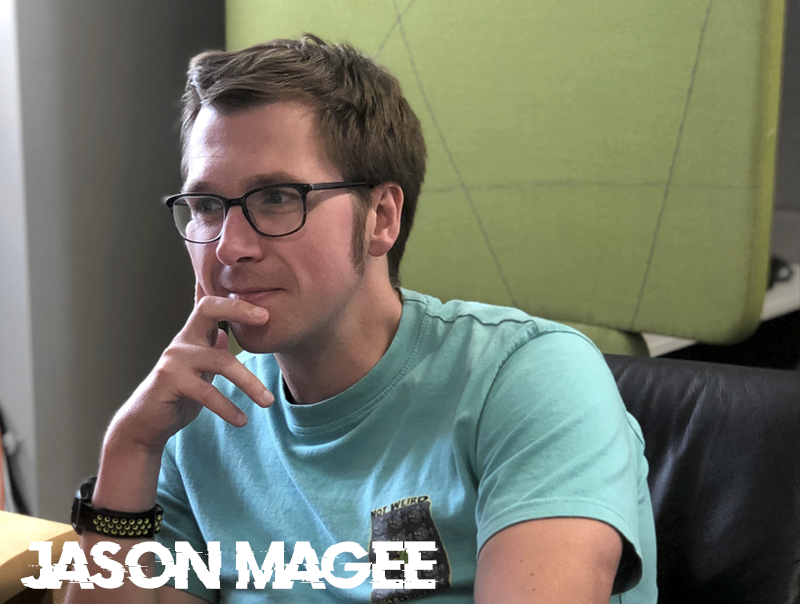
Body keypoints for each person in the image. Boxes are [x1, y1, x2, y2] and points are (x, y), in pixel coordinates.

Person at [66, 34, 657, 604]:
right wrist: (129, 448)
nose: (229, 247)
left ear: (381, 218)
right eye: (206, 206)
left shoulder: (529, 378)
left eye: (277, 197)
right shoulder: (200, 419)